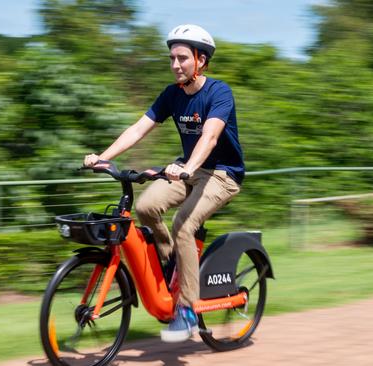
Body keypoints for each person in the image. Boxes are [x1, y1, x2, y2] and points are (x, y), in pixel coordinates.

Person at [83, 24, 244, 342]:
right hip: (188, 169)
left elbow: (210, 137)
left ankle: (186, 310)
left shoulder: (219, 92)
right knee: (146, 206)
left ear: (200, 60)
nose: (175, 65)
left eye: (182, 58)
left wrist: (188, 168)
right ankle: (173, 258)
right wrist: (102, 157)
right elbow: (138, 129)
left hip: (222, 174)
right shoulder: (172, 94)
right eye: (172, 58)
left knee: (184, 223)